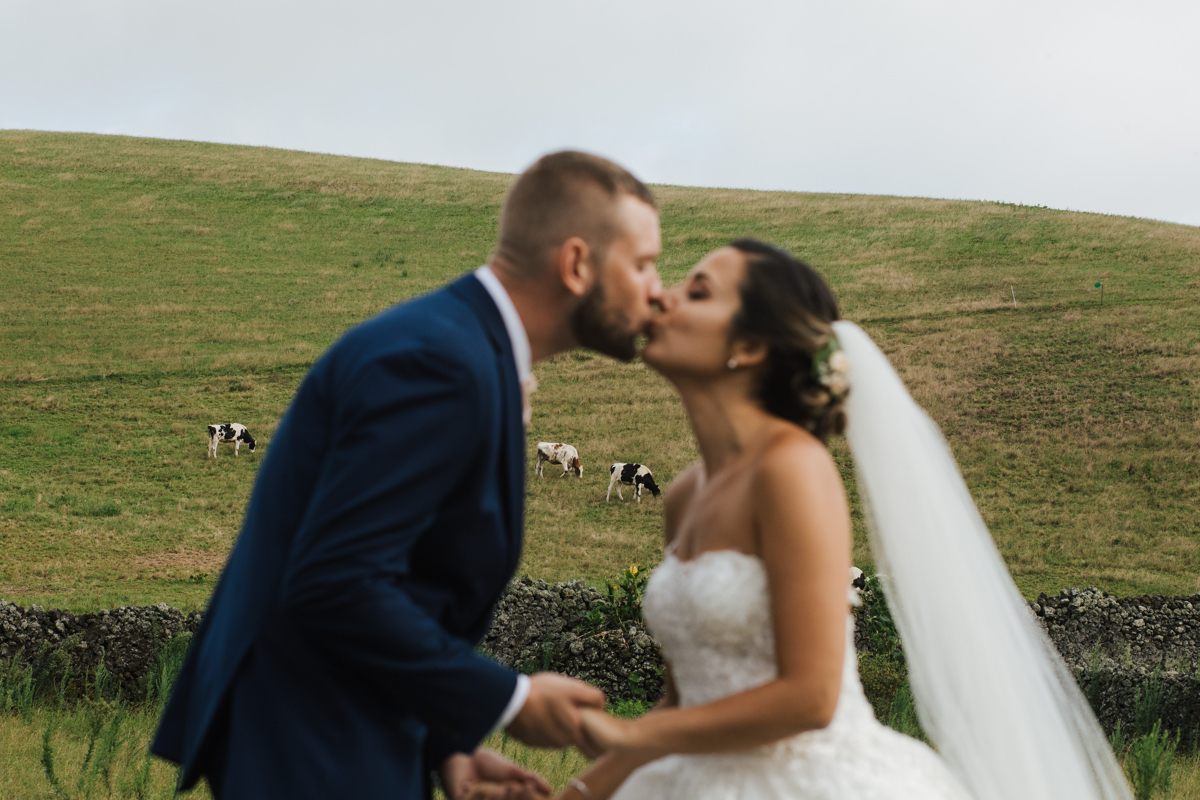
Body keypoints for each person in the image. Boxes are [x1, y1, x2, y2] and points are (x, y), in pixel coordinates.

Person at [151, 150, 665, 800]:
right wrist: (509, 700)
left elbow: (407, 578)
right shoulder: (440, 363)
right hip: (316, 748)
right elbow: (336, 582)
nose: (657, 290)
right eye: (644, 263)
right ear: (576, 264)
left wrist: (445, 745)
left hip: (352, 731)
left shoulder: (464, 347)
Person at [552, 241, 1130, 800]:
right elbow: (682, 704)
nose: (662, 298)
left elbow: (811, 696)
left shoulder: (792, 469)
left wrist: (629, 731)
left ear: (750, 346)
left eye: (697, 292)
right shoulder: (684, 493)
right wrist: (574, 795)